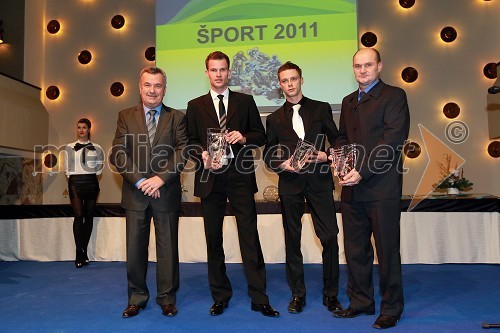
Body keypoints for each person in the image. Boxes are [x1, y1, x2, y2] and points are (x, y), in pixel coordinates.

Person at [185, 51, 279, 317]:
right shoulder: (194, 105)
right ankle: (220, 295)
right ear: (206, 73)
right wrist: (201, 154)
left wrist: (243, 136)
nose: (218, 74)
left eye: (223, 69)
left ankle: (259, 297)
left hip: (239, 177)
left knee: (249, 237)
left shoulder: (245, 101)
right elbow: (190, 141)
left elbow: (260, 135)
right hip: (209, 178)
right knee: (213, 239)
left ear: (229, 72)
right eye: (213, 70)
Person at [331, 48, 410, 329]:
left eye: (367, 65)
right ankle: (361, 302)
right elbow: (342, 137)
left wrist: (361, 171)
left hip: (381, 187)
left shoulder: (394, 96)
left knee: (387, 251)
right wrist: (338, 158)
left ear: (379, 66)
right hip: (351, 189)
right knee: (355, 250)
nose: (362, 70)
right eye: (357, 66)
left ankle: (391, 308)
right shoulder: (348, 100)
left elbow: (392, 141)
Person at [263, 61, 342, 314]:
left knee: (329, 236)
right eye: (285, 81)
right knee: (293, 240)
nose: (290, 84)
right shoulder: (274, 119)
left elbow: (338, 139)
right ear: (280, 85)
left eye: (293, 79)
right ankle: (298, 294)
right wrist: (281, 164)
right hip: (290, 185)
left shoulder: (321, 108)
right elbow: (267, 155)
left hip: (319, 181)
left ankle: (331, 294)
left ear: (301, 80)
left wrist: (327, 156)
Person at [110, 66, 188, 318]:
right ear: (139, 86)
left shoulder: (177, 117)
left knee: (168, 250)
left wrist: (160, 179)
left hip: (165, 193)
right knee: (135, 250)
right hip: (136, 194)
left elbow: (182, 152)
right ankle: (136, 298)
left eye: (158, 86)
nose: (152, 90)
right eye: (148, 85)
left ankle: (167, 298)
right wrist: (141, 181)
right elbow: (118, 153)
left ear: (164, 89)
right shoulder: (125, 116)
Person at [64, 118, 104, 268]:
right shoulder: (69, 147)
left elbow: (100, 168)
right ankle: (78, 252)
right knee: (79, 215)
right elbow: (67, 168)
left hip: (91, 181)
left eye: (84, 127)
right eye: (79, 127)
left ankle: (84, 252)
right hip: (75, 182)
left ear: (89, 129)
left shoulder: (98, 147)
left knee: (88, 217)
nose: (81, 130)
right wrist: (75, 176)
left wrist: (90, 175)